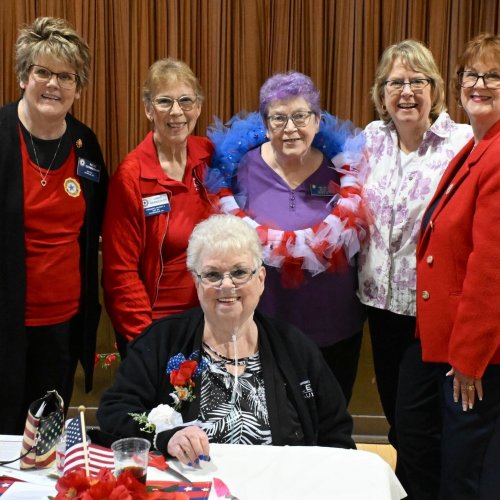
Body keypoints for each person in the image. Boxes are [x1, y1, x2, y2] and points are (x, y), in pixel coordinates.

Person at [97, 214, 355, 462]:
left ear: (261, 278)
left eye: (240, 272)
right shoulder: (161, 341)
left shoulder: (296, 348)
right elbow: (115, 411)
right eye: (212, 275)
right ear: (196, 282)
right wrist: (165, 436)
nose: (227, 285)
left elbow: (337, 436)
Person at [205, 72, 367, 404]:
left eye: (300, 116)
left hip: (334, 327)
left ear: (318, 120)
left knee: (328, 427)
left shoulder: (344, 172)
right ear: (265, 124)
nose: (289, 128)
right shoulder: (241, 170)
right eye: (278, 118)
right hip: (263, 329)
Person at [396, 33, 500, 500]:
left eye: (494, 75)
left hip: (474, 356)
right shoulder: (477, 146)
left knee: (467, 474)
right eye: (472, 74)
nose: (479, 84)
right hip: (439, 339)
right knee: (425, 453)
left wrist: (469, 360)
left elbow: (491, 269)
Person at [357, 40, 472, 454]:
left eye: (417, 81)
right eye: (395, 82)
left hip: (432, 306)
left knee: (418, 422)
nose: (406, 92)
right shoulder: (371, 139)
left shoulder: (461, 141)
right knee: (398, 417)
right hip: (378, 305)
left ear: (435, 89)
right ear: (381, 92)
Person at [0, 17, 108, 434]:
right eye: (43, 72)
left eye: (66, 76)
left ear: (78, 88)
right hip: (6, 322)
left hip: (62, 325)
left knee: (44, 437)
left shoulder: (86, 143)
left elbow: (91, 229)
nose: (54, 84)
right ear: (24, 76)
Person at [102, 58, 215, 357]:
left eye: (186, 100)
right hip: (156, 328)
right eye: (164, 101)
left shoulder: (210, 156)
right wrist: (147, 341)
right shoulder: (131, 176)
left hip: (212, 325)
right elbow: (120, 273)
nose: (177, 112)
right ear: (148, 109)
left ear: (199, 107)